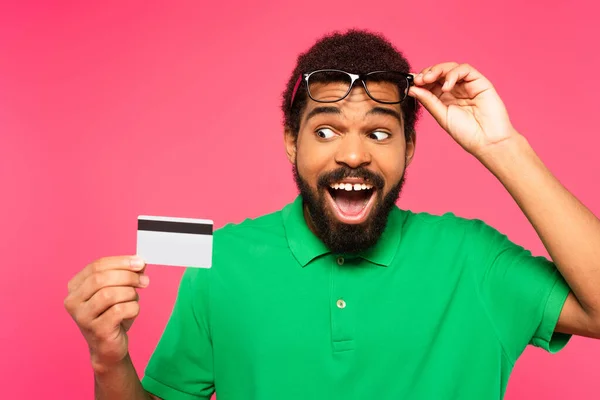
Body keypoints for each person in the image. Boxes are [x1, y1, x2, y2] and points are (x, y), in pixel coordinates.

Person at [64, 30, 600, 400]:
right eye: (325, 130)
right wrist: (109, 361)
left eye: (379, 131)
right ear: (291, 144)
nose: (352, 154)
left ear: (410, 148)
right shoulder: (220, 265)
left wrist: (501, 146)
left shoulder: (473, 259)